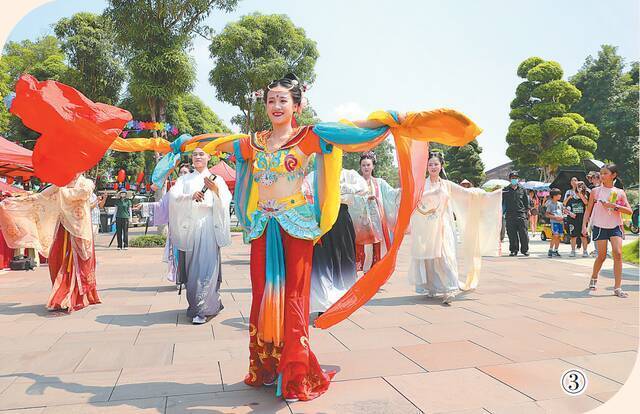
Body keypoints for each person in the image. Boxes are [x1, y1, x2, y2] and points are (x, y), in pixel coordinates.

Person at [107, 73, 482, 402]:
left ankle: (296, 372)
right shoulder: (253, 143)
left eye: (282, 100)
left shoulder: (310, 136)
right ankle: (264, 367)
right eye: (270, 100)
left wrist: (393, 120)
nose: (275, 105)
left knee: (295, 299)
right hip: (263, 227)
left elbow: (357, 132)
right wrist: (180, 143)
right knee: (261, 298)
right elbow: (217, 141)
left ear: (296, 105)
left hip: (296, 226)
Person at [408, 152, 501, 304]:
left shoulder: (447, 185)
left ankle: (450, 289)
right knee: (429, 259)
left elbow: (467, 194)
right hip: (426, 227)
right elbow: (416, 199)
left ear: (441, 165)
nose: (433, 167)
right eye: (430, 164)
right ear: (426, 167)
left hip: (443, 226)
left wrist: (489, 195)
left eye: (436, 164)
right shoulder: (421, 185)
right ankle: (431, 287)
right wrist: (432, 192)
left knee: (446, 256)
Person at [0, 174, 100, 312]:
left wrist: (61, 191)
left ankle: (75, 297)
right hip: (62, 228)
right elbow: (40, 197)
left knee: (77, 264)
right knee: (57, 261)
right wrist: (17, 200)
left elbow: (83, 194)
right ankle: (62, 296)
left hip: (79, 230)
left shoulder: (86, 183)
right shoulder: (60, 182)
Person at [168, 148, 232, 324]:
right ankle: (197, 305)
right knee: (192, 267)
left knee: (207, 265)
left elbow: (226, 200)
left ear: (208, 157)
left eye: (201, 154)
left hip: (208, 226)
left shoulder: (216, 179)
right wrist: (190, 196)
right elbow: (173, 196)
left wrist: (216, 191)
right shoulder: (184, 179)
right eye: (195, 154)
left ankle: (203, 309)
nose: (198, 157)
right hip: (190, 227)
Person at [308, 169, 366, 315]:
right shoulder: (315, 174)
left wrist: (343, 187)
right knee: (323, 261)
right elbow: (304, 191)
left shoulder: (348, 174)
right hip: (322, 219)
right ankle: (324, 304)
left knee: (344, 259)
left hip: (341, 218)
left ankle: (344, 300)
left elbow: (364, 187)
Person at [582, 164, 632, 297]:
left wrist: (614, 206)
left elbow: (629, 211)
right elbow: (588, 209)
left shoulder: (619, 192)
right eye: (601, 173)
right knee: (602, 256)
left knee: (618, 253)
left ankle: (617, 288)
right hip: (599, 226)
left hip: (615, 226)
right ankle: (594, 277)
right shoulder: (595, 191)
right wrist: (584, 226)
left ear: (613, 175)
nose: (602, 176)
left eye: (605, 173)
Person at [351, 152, 399, 272]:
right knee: (364, 248)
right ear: (360, 167)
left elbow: (392, 194)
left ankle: (374, 273)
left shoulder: (379, 183)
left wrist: (403, 190)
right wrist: (363, 198)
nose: (366, 168)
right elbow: (350, 198)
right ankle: (365, 272)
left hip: (377, 221)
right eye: (363, 165)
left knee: (376, 248)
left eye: (368, 165)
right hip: (361, 222)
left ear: (373, 166)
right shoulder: (355, 182)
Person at [502, 171, 530, 256]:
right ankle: (514, 250)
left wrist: (527, 212)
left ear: (518, 179)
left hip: (521, 214)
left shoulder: (523, 189)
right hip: (510, 215)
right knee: (512, 234)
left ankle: (525, 250)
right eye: (513, 178)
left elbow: (526, 202)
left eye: (516, 178)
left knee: (524, 233)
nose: (514, 179)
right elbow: (501, 202)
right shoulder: (505, 190)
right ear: (510, 179)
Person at [564, 180, 589, 257]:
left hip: (583, 219)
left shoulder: (585, 197)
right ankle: (573, 251)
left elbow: (586, 203)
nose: (579, 188)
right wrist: (570, 213)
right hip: (572, 220)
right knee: (573, 236)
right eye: (578, 187)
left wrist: (580, 193)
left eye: (581, 187)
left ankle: (585, 251)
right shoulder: (571, 197)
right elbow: (564, 207)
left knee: (583, 236)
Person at [545, 188, 565, 257]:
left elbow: (563, 212)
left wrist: (563, 217)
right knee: (555, 235)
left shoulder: (560, 204)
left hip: (560, 222)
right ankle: (550, 250)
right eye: (558, 194)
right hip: (554, 222)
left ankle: (556, 250)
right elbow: (547, 214)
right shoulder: (550, 204)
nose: (560, 196)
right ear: (554, 196)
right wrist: (555, 217)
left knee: (559, 236)